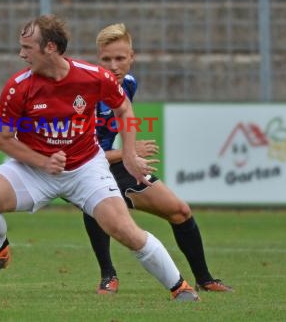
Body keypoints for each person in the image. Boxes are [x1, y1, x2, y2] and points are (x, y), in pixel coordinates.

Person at [0, 14, 199, 301]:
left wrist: (129, 155)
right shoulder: (18, 87)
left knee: (123, 229)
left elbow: (123, 108)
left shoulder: (92, 76)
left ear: (50, 47)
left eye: (27, 48)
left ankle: (180, 288)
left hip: (86, 168)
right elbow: (1, 138)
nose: (21, 54)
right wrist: (43, 162)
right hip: (35, 170)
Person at [86, 23, 232, 294]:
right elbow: (82, 156)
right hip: (84, 168)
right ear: (98, 60)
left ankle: (205, 279)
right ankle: (108, 275)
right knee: (94, 199)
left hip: (114, 162)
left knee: (180, 210)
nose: (114, 65)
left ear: (132, 57)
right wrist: (129, 153)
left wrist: (127, 155)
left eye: (120, 58)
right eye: (106, 59)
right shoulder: (85, 95)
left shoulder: (128, 84)